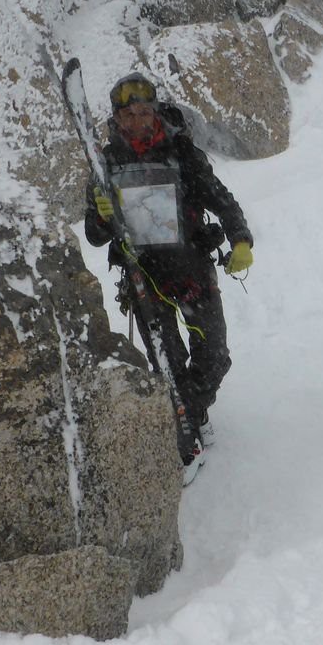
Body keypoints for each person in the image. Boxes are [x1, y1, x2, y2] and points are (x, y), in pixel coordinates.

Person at [83, 72, 252, 483]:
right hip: (144, 278)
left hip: (192, 265)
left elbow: (220, 197)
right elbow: (94, 233)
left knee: (214, 358)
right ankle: (183, 436)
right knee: (169, 366)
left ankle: (190, 413)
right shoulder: (107, 164)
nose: (138, 120)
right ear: (118, 119)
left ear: (154, 111)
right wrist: (102, 216)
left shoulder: (182, 153)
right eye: (129, 114)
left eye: (144, 111)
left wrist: (241, 238)